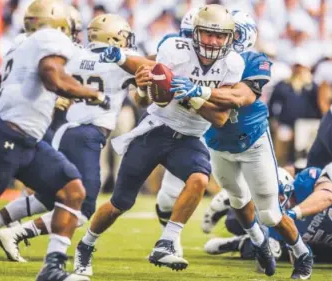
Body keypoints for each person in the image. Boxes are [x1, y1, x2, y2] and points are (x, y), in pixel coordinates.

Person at [73, 4, 244, 276]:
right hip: (156, 129)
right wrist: (145, 82)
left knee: (199, 178)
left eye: (219, 35)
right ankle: (85, 245)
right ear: (194, 33)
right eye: (207, 34)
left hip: (189, 136)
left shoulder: (233, 63)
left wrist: (194, 94)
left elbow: (220, 119)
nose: (213, 41)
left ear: (230, 38)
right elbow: (157, 96)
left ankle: (167, 240)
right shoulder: (175, 49)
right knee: (121, 203)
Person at [150, 9, 314, 279]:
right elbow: (157, 65)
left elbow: (241, 96)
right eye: (212, 33)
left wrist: (198, 90)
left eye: (226, 34)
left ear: (242, 36)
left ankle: (302, 253)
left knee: (271, 214)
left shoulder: (251, 60)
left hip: (252, 141)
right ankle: (259, 241)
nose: (216, 40)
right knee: (238, 199)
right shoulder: (195, 57)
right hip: (216, 141)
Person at [0, 13, 137, 264]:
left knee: (56, 193)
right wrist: (91, 93)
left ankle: (30, 249)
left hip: (59, 130)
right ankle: (17, 233)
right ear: (113, 38)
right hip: (81, 134)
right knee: (83, 205)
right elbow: (151, 67)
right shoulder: (115, 61)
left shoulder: (65, 53)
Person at [204, 165, 332, 264]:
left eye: (277, 197)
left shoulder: (308, 181)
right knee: (267, 245)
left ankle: (239, 243)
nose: (277, 201)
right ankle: (232, 200)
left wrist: (292, 214)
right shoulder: (272, 218)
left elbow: (326, 196)